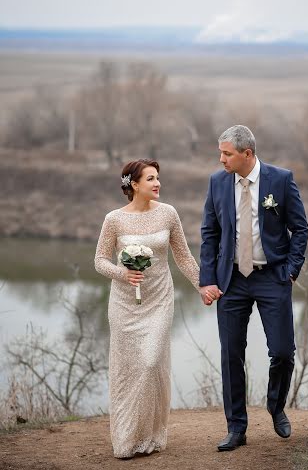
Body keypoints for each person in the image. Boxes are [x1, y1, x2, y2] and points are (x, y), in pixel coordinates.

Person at [94, 159, 219, 459]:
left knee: (151, 363)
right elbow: (99, 260)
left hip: (159, 300)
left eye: (158, 178)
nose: (157, 183)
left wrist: (203, 285)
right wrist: (122, 273)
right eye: (150, 178)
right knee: (128, 369)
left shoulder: (168, 214)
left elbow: (184, 257)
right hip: (124, 304)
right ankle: (127, 438)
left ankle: (150, 434)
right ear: (134, 184)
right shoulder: (114, 219)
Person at [199, 125, 308, 451]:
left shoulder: (281, 179)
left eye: (227, 153)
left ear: (247, 153)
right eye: (220, 153)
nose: (221, 159)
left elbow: (300, 229)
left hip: (272, 277)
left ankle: (275, 407)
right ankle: (236, 428)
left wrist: (290, 271)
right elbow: (210, 233)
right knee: (231, 355)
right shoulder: (217, 182)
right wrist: (208, 279)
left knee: (283, 352)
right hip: (231, 281)